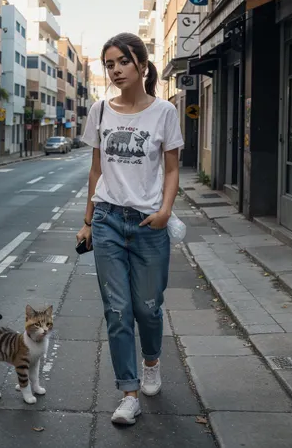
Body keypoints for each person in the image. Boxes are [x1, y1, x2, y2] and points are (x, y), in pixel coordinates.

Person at [76, 32, 183, 425]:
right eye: (109, 64)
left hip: (148, 223)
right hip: (107, 220)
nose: (116, 70)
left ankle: (151, 360)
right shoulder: (100, 110)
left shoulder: (164, 112)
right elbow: (96, 168)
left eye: (122, 61)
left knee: (148, 308)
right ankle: (129, 393)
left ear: (141, 64)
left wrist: (166, 211)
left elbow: (172, 169)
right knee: (118, 311)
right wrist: (88, 221)